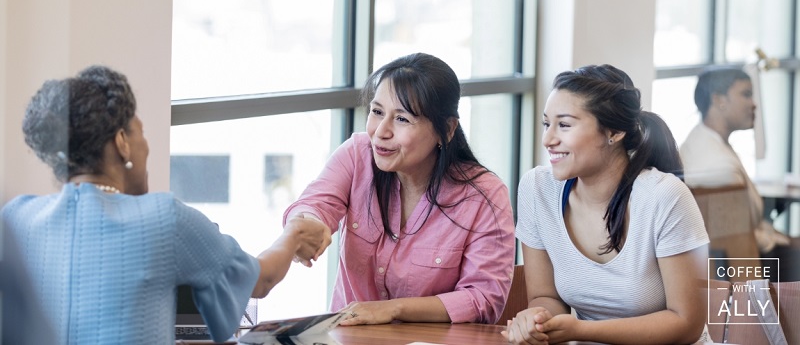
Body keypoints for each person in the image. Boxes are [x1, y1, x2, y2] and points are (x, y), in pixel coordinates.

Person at [1, 65, 331, 344]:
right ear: (122, 143)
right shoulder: (164, 217)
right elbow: (261, 279)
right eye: (140, 132)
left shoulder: (14, 217)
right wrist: (294, 235)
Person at [282, 53, 516, 325]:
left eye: (402, 119)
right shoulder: (358, 155)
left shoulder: (484, 195)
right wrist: (307, 225)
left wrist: (394, 309)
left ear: (447, 129)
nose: (381, 131)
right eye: (377, 112)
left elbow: (483, 299)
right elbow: (315, 204)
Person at [507, 64, 709, 344]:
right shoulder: (537, 188)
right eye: (546, 124)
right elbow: (546, 296)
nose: (548, 139)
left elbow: (687, 323)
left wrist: (580, 331)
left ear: (613, 132)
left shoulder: (664, 196)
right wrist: (537, 318)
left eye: (564, 125)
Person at [680, 68, 797, 279]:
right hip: (751, 265)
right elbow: (739, 238)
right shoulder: (718, 165)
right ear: (718, 100)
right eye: (745, 94)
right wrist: (788, 242)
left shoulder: (703, 143)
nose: (754, 103)